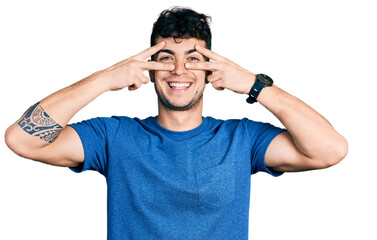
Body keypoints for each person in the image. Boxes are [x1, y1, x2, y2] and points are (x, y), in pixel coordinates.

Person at [5, 7, 348, 240]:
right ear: (149, 69)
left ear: (212, 69)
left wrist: (255, 85)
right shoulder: (113, 136)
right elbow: (22, 139)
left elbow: (330, 150)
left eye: (193, 59)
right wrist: (103, 79)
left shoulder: (242, 139)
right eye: (166, 58)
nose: (179, 71)